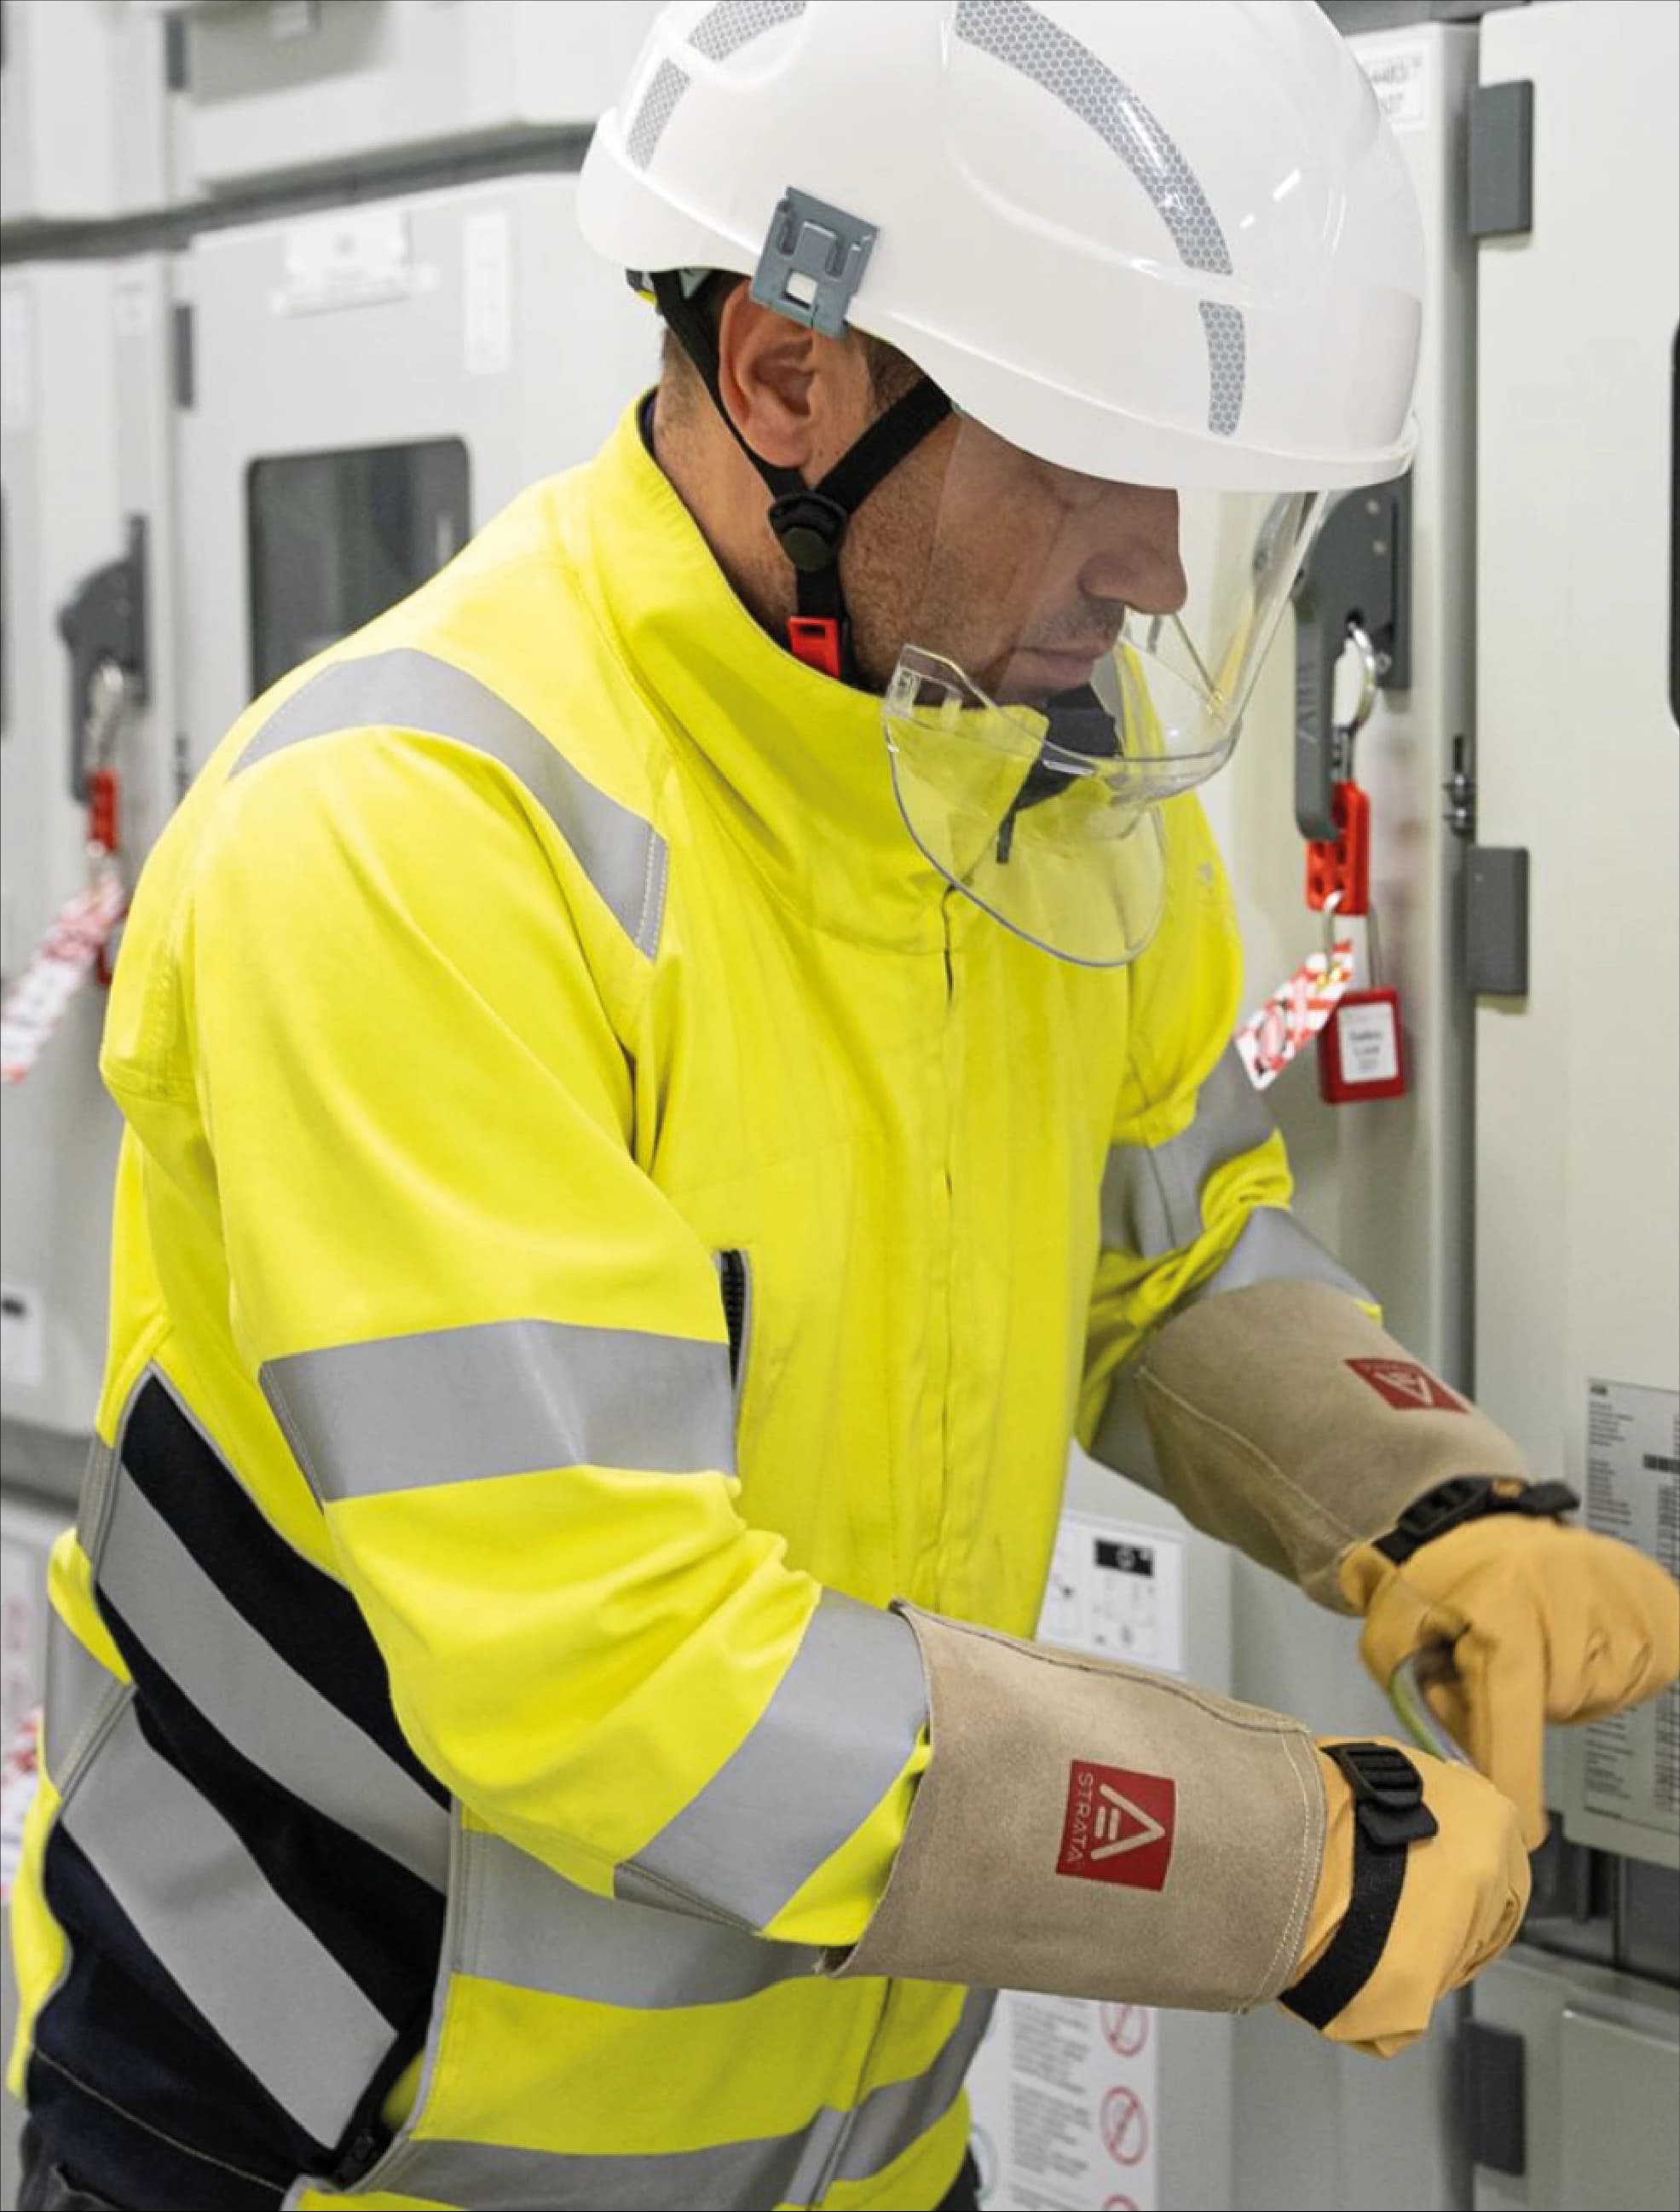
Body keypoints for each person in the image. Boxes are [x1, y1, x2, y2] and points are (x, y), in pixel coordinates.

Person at [9, 5, 1677, 2209]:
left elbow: (1157, 1245)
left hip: (855, 2153)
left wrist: (1430, 1493)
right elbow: (613, 1672)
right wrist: (1290, 1854)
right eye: (1084, 453)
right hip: (340, 2144)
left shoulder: (1022, 773)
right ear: (791, 374)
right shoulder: (416, 835)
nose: (1159, 566)